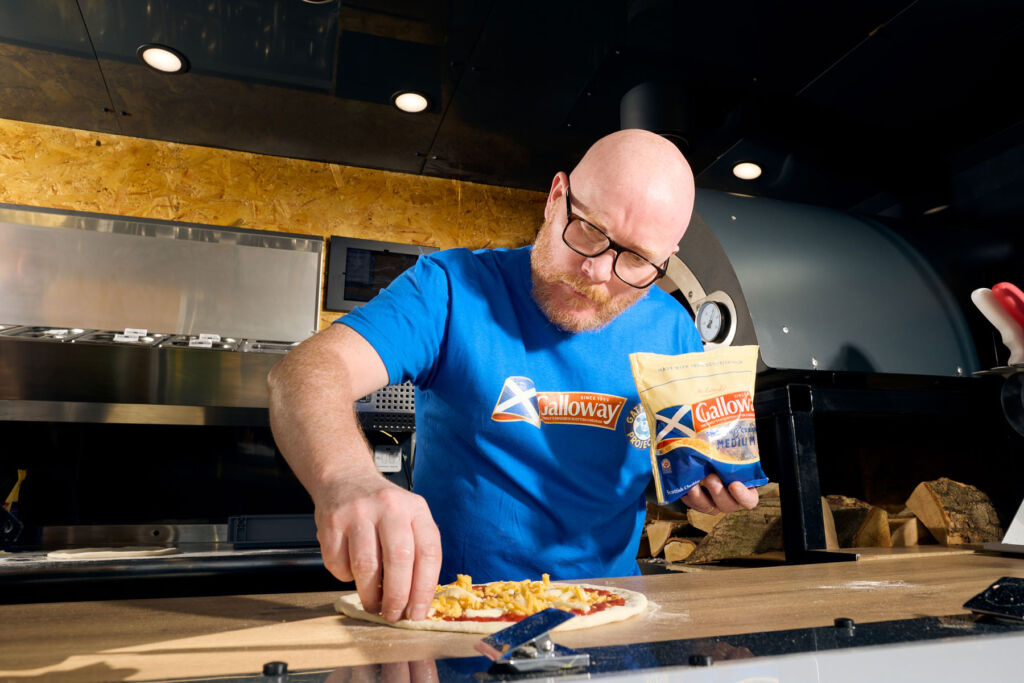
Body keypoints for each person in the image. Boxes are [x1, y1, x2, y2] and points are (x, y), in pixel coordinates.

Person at [267, 129, 759, 624]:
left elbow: (684, 460)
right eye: (589, 230)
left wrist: (706, 481)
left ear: (664, 260)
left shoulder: (674, 327)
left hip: (608, 616)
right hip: (453, 615)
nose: (597, 273)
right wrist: (349, 479)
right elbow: (306, 372)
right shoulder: (450, 288)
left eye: (635, 258)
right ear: (555, 198)